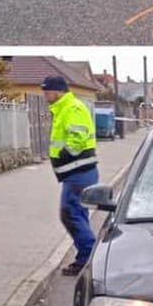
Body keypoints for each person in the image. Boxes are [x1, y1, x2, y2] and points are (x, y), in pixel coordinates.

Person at [42, 76, 99, 276]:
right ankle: (87, 257)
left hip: (79, 172)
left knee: (70, 214)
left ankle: (88, 257)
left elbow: (78, 135)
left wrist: (66, 154)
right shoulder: (63, 108)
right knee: (76, 214)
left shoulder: (72, 108)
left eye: (47, 91)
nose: (45, 95)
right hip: (77, 173)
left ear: (57, 91)